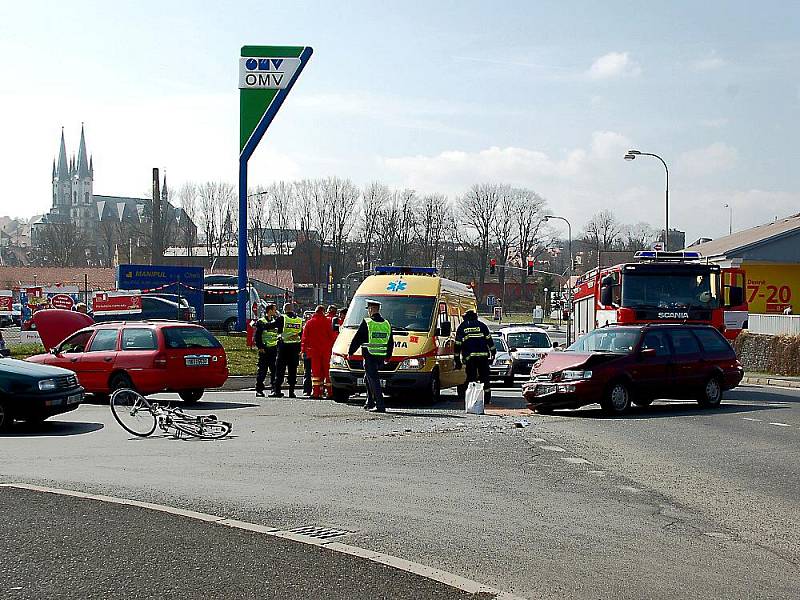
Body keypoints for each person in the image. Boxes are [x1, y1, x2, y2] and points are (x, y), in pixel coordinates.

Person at [348, 299, 393, 413]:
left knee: (373, 380)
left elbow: (358, 338)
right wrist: (388, 355)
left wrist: (350, 352)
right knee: (367, 378)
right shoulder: (386, 324)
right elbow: (390, 341)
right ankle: (370, 402)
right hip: (381, 356)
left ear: (372, 309)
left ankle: (380, 405)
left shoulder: (368, 323)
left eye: (368, 309)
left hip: (370, 355)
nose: (368, 311)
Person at [454, 309, 496, 406]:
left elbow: (457, 344)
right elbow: (489, 340)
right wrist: (493, 352)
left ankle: (471, 398)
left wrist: (457, 360)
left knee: (471, 378)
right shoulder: (482, 326)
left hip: (470, 358)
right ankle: (486, 399)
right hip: (483, 357)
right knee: (485, 378)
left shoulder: (462, 327)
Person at [262, 302, 303, 398]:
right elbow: (301, 334)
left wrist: (260, 325)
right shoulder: (299, 320)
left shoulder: (283, 318)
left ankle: (277, 390)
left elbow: (271, 325)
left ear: (284, 310)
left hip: (283, 348)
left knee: (280, 370)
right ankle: (292, 391)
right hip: (295, 348)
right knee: (293, 370)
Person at [301, 306, 335, 399]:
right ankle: (330, 392)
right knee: (327, 372)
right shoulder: (328, 322)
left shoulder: (309, 323)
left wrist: (303, 350)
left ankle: (317, 392)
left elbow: (304, 338)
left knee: (316, 373)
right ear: (323, 312)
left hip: (313, 351)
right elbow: (332, 336)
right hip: (326, 350)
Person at [254, 303, 279, 397]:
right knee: (262, 371)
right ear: (270, 311)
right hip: (264, 350)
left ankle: (274, 389)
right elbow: (257, 336)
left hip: (273, 350)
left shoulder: (275, 321)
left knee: (274, 371)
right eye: (274, 310)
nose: (275, 311)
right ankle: (259, 390)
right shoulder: (261, 321)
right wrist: (260, 347)